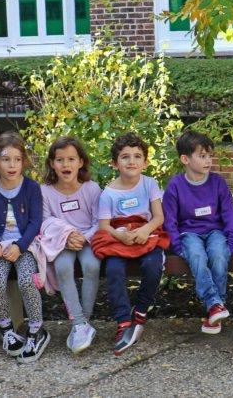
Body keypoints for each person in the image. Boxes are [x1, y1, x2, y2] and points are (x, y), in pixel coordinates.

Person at [92, 132, 168, 356]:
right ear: (115, 163)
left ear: (145, 162)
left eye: (137, 156)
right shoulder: (108, 193)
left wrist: (145, 230)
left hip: (146, 234)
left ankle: (141, 310)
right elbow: (104, 226)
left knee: (153, 266)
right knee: (114, 269)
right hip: (119, 238)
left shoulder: (150, 184)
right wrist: (120, 235)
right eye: (125, 157)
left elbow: (158, 217)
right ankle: (123, 320)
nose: (131, 161)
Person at [0, 132, 49, 363]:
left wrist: (20, 245)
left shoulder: (31, 188)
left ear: (23, 162)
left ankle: (37, 330)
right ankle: (7, 330)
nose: (12, 165)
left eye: (17, 159)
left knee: (27, 280)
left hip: (25, 247)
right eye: (6, 159)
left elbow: (35, 221)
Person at [163, 130, 233, 335]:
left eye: (209, 156)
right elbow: (169, 221)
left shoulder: (217, 182)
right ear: (185, 159)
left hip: (215, 231)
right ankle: (216, 303)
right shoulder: (175, 186)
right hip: (188, 234)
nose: (208, 161)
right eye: (202, 156)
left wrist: (231, 243)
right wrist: (178, 246)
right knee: (197, 255)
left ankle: (215, 308)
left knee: (218, 253)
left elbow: (230, 215)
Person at [40, 136, 101, 354]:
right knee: (63, 267)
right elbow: (45, 222)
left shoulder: (91, 189)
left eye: (71, 159)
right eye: (60, 160)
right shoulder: (45, 192)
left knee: (92, 266)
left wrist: (83, 238)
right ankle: (78, 324)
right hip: (62, 242)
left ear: (81, 162)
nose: (66, 165)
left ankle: (85, 321)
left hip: (87, 239)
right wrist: (67, 236)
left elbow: (98, 221)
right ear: (51, 163)